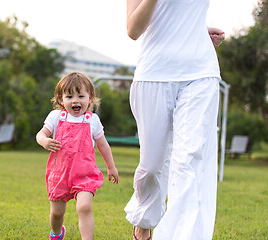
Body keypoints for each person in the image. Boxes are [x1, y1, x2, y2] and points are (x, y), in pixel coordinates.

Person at [123, 0, 225, 240]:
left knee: (190, 160)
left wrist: (196, 30)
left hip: (201, 73)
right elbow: (133, 30)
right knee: (151, 166)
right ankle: (145, 218)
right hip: (154, 75)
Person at [36, 72, 119, 240]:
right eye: (69, 96)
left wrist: (111, 166)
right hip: (60, 174)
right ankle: (57, 233)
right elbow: (41, 134)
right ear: (60, 99)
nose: (75, 100)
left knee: (84, 207)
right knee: (57, 213)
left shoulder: (92, 120)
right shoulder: (56, 117)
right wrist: (44, 140)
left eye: (81, 96)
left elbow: (103, 145)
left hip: (84, 174)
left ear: (90, 98)